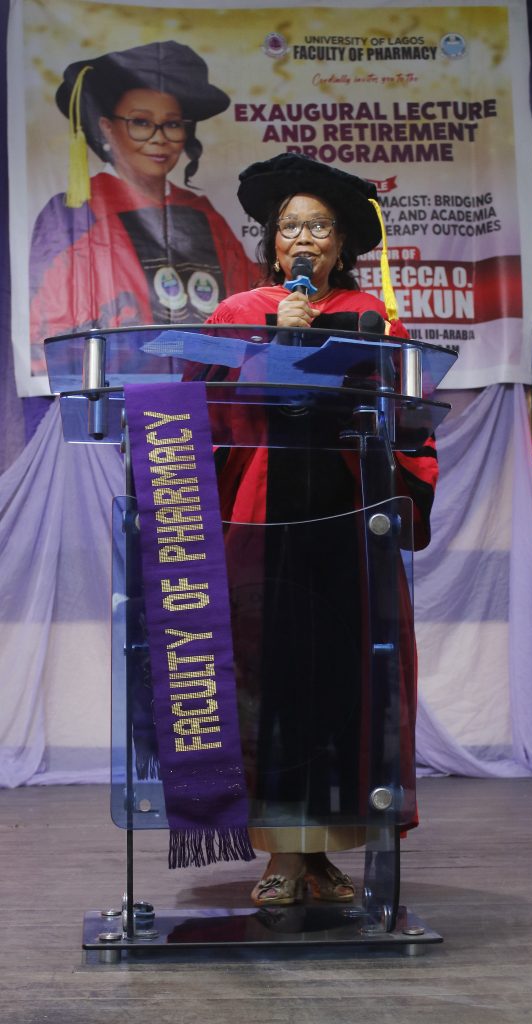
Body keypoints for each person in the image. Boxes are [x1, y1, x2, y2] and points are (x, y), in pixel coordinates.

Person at [186, 153, 439, 906]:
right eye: (291, 226)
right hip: (260, 524)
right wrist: (276, 342)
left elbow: (408, 422)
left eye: (319, 227)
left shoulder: (372, 319)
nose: (303, 238)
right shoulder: (237, 313)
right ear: (272, 243)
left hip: (348, 527)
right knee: (266, 685)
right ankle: (282, 857)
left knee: (340, 686)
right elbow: (203, 412)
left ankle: (324, 853)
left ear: (341, 244)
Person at [29, 40, 256, 374]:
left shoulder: (201, 212)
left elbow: (245, 302)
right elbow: (52, 327)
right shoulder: (74, 213)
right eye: (141, 122)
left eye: (173, 124)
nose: (159, 137)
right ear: (107, 128)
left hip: (207, 389)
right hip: (118, 391)